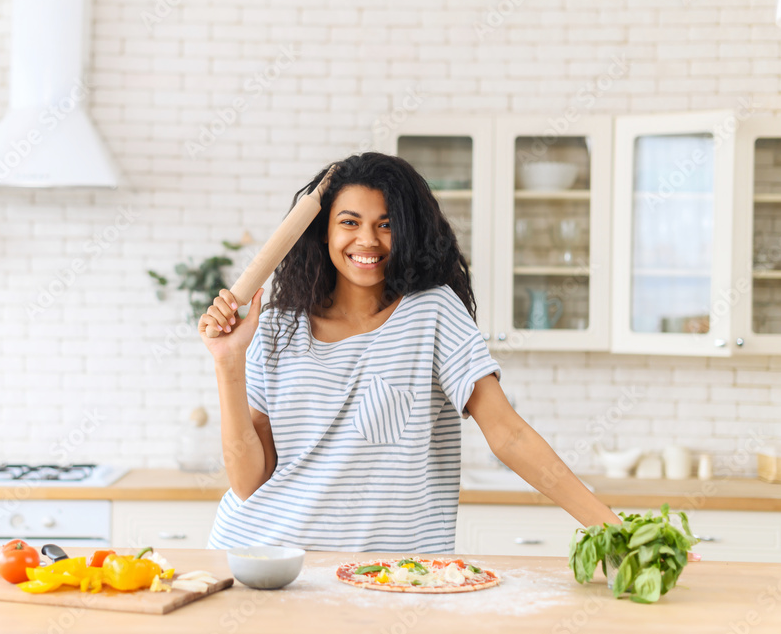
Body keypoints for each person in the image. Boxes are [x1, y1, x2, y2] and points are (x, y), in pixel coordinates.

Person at [198, 151, 621, 552]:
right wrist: (227, 360)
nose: (368, 240)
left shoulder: (433, 312)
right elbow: (249, 481)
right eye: (350, 221)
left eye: (386, 224)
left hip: (385, 576)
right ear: (323, 230)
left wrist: (616, 533)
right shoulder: (276, 327)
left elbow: (508, 434)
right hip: (264, 558)